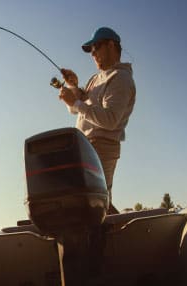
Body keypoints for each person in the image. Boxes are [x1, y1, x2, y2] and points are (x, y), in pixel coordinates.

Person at [58, 27, 136, 214]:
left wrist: (76, 102)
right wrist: (74, 86)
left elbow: (110, 120)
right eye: (90, 50)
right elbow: (78, 109)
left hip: (103, 145)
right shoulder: (96, 78)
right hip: (85, 144)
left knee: (96, 201)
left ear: (111, 45)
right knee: (90, 200)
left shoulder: (121, 78)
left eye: (96, 47)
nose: (92, 53)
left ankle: (119, 238)